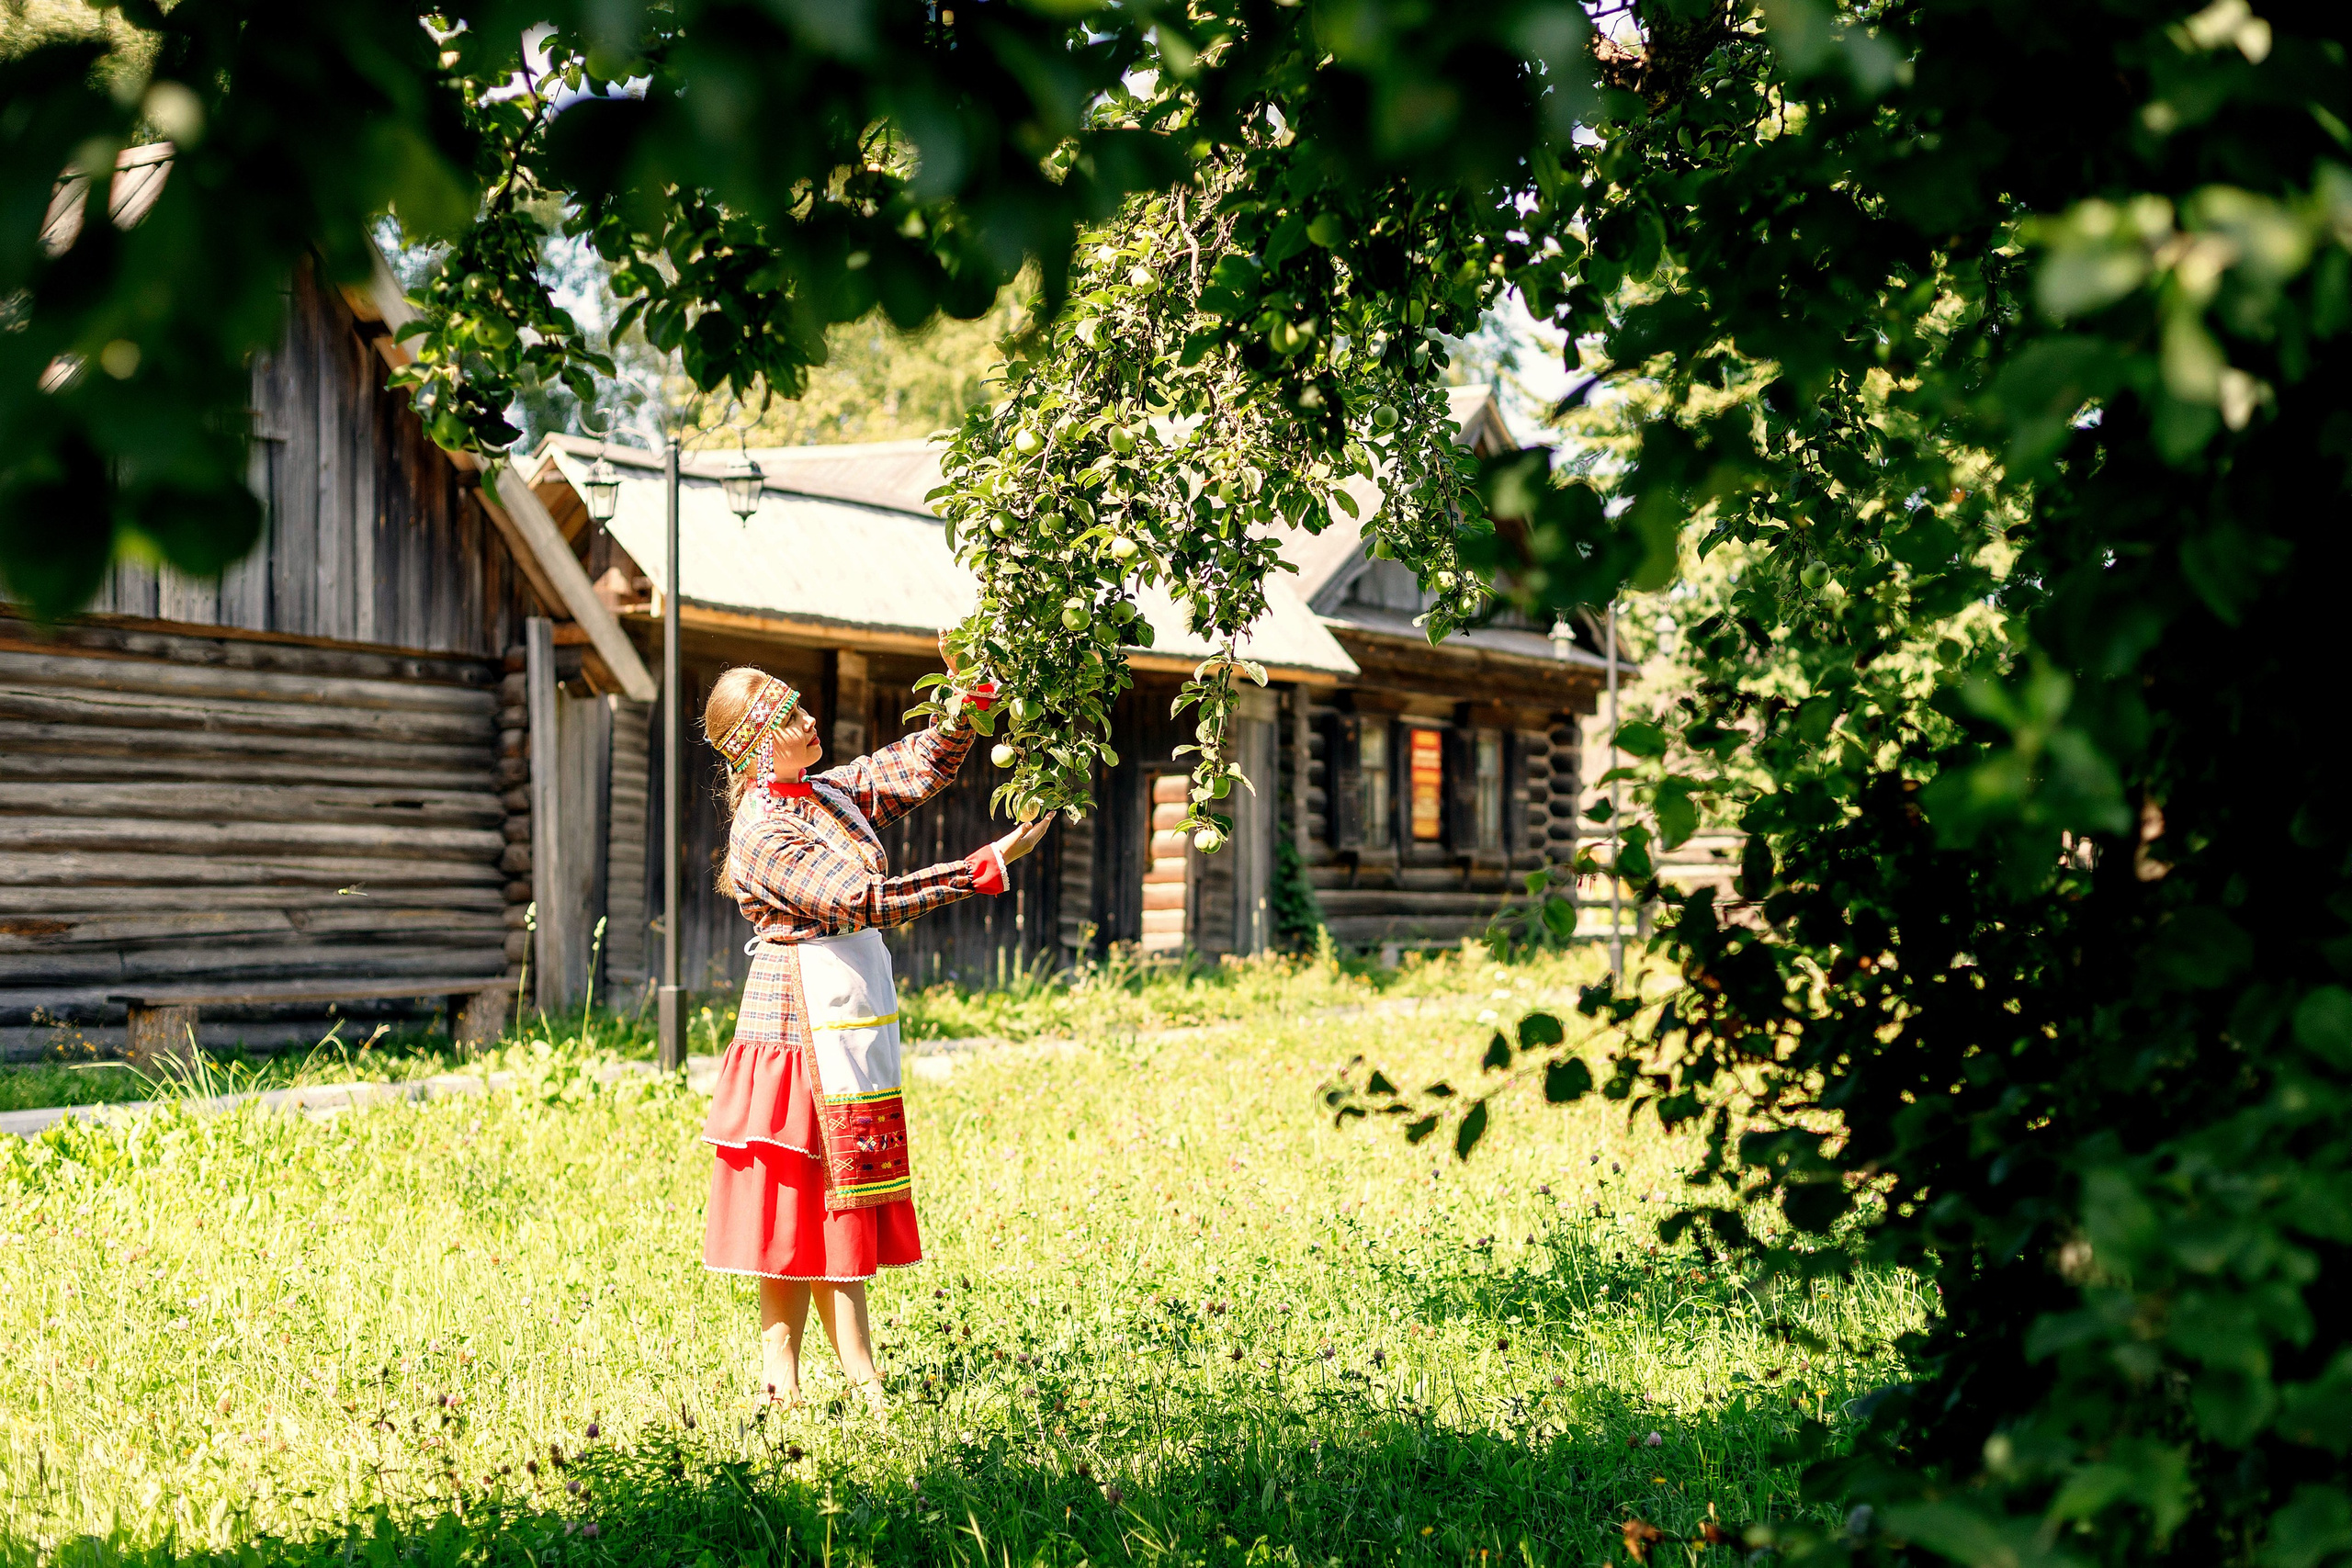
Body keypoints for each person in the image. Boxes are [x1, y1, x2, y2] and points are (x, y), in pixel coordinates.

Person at [695, 640, 1048, 1416]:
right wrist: (982, 864)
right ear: (758, 742)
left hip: (846, 1015)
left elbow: (920, 764)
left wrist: (965, 694)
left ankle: (831, 1373)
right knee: (804, 1189)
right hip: (795, 1023)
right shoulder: (762, 831)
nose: (811, 719)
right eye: (790, 716)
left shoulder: (826, 791)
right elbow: (863, 899)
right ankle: (807, 1378)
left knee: (834, 1183)